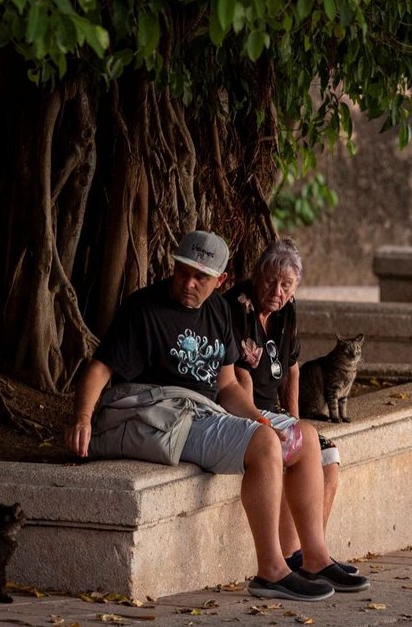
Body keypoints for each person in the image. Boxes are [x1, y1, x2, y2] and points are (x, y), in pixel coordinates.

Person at [65, 230, 369, 601]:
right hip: (166, 412)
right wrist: (82, 417)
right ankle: (272, 570)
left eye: (201, 277)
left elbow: (226, 386)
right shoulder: (145, 309)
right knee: (264, 445)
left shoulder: (218, 311)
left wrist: (260, 417)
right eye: (183, 272)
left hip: (207, 411)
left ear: (220, 280)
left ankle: (315, 559)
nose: (188, 283)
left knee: (302, 436)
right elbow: (100, 368)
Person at [224, 236, 358, 574]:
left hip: (274, 411)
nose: (277, 290)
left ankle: (308, 554)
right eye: (271, 279)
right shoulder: (236, 307)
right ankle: (290, 558)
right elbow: (238, 377)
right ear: (257, 274)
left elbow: (293, 368)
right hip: (244, 410)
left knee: (327, 454)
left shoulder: (287, 311)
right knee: (292, 450)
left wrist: (294, 418)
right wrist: (271, 424)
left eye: (287, 284)